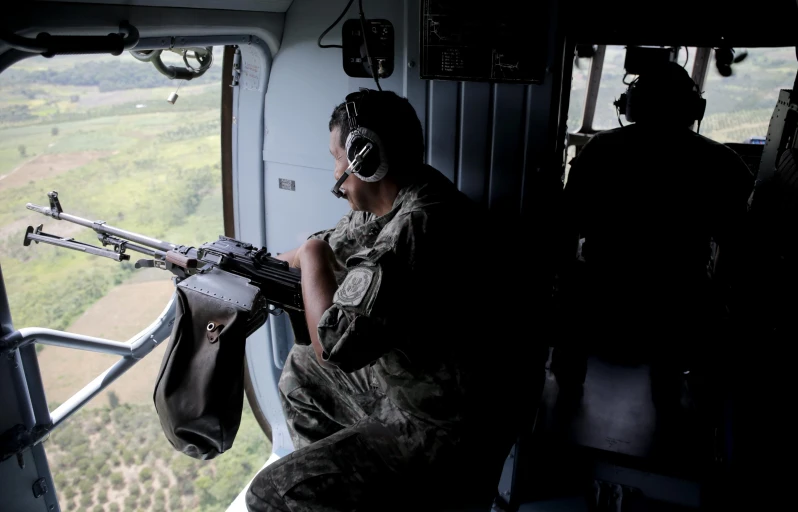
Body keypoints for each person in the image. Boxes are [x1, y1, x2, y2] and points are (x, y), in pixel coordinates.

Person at [245, 89, 534, 512]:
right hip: (424, 389)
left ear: (364, 157)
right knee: (300, 372)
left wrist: (310, 255)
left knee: (271, 496)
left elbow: (334, 349)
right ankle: (353, 486)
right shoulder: (400, 197)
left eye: (337, 156)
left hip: (443, 428)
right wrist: (249, 264)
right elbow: (331, 246)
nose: (336, 170)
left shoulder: (418, 227)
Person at [551, 61, 753, 407]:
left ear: (632, 105)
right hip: (678, 302)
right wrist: (716, 299)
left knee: (571, 321)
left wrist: (568, 279)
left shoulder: (600, 150)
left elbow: (565, 225)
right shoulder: (722, 162)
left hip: (602, 292)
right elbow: (739, 245)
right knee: (672, 383)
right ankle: (670, 411)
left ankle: (562, 406)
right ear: (693, 110)